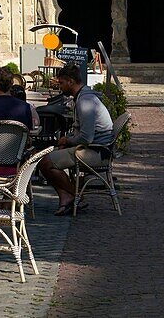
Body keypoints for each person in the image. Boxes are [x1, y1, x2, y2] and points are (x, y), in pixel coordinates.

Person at [38, 63, 114, 216]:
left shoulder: (85, 101)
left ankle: (76, 195)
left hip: (96, 151)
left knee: (44, 162)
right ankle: (67, 197)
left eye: (61, 83)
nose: (59, 87)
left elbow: (86, 137)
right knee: (48, 159)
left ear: (70, 82)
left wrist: (67, 141)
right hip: (96, 147)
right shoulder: (84, 97)